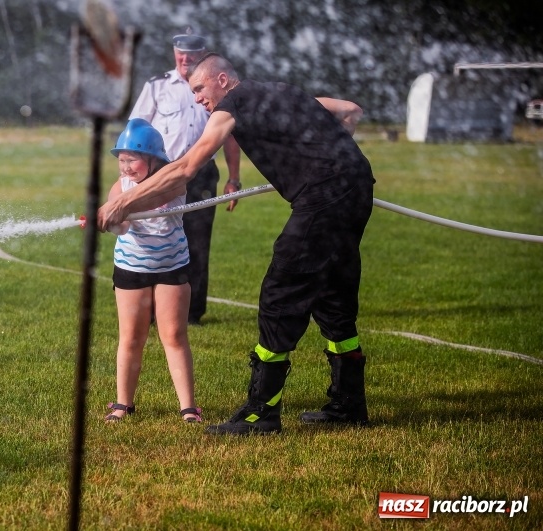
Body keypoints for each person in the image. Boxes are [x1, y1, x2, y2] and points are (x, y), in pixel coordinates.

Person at [97, 54, 375, 435]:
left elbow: (185, 169)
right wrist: (326, 155)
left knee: (280, 295)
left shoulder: (232, 105)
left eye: (199, 88)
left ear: (223, 80)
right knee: (333, 293)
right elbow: (349, 111)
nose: (196, 99)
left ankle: (261, 413)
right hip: (358, 189)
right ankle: (349, 404)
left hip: (323, 199)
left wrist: (123, 202)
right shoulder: (280, 92)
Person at [128, 27, 242, 325]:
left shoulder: (214, 89)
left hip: (202, 176)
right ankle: (151, 308)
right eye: (179, 52)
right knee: (155, 237)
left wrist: (234, 177)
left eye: (191, 53)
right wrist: (132, 175)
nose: (184, 57)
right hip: (162, 173)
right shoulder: (157, 86)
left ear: (202, 55)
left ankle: (191, 313)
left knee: (197, 243)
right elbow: (136, 131)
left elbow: (230, 136)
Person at [103, 118, 202, 424]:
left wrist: (122, 205)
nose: (126, 167)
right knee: (131, 338)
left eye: (132, 159)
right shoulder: (119, 186)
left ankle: (188, 408)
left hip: (172, 265)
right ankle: (123, 404)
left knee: (173, 335)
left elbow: (153, 196)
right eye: (121, 160)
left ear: (153, 158)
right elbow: (123, 227)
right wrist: (112, 220)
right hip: (132, 268)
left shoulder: (173, 181)